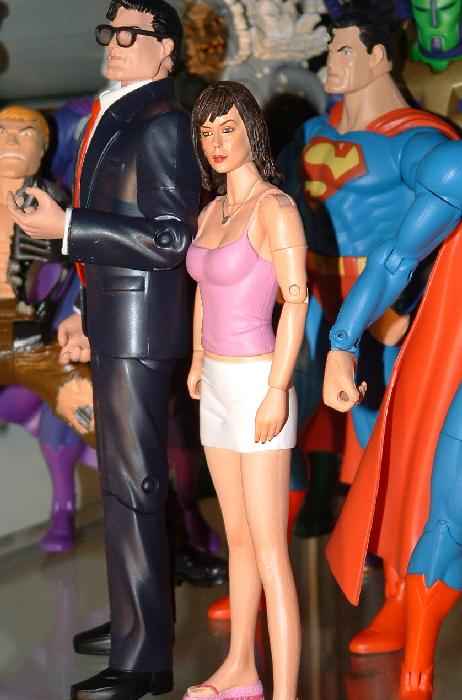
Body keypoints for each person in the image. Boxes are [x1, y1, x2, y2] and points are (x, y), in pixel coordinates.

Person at [8, 1, 201, 698]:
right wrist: (85, 308)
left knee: (135, 486)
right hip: (116, 319)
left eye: (130, 34)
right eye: (109, 32)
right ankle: (133, 624)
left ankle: (145, 656)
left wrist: (68, 226)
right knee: (123, 488)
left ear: (166, 50)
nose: (114, 44)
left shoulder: (163, 122)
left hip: (143, 330)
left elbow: (171, 238)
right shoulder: (115, 113)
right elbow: (117, 229)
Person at [278, 1, 459, 653]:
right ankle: (271, 571)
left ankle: (407, 596)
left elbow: (423, 244)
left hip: (391, 310)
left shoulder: (420, 142)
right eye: (332, 49)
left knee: (402, 453)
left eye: (346, 49)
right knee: (315, 441)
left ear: (382, 56)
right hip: (321, 295)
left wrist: (398, 314)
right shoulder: (309, 132)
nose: (333, 61)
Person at [185, 81, 307, 700]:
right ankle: (240, 667)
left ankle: (284, 692)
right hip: (217, 384)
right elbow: (204, 290)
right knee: (237, 539)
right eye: (206, 132)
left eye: (227, 127)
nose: (216, 142)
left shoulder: (274, 209)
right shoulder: (212, 213)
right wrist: (198, 357)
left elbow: (296, 302)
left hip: (260, 378)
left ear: (251, 130)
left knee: (269, 549)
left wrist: (278, 388)